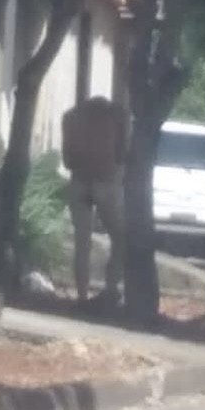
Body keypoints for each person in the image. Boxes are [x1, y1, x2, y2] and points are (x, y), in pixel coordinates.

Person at [61, 95, 129, 308]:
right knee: (121, 238)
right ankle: (111, 286)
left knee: (82, 243)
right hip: (107, 181)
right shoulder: (118, 117)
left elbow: (67, 160)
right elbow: (123, 154)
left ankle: (82, 295)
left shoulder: (70, 117)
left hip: (79, 180)